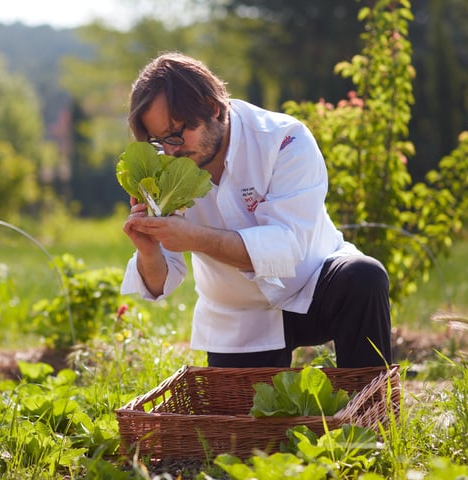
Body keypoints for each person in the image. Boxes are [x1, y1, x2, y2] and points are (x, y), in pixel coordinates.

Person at [120, 51, 392, 369]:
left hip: (312, 284)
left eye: (178, 133)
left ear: (212, 107)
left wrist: (194, 237)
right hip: (237, 315)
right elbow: (160, 282)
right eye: (159, 139)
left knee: (364, 277)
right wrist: (149, 251)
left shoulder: (284, 140)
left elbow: (286, 249)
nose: (171, 149)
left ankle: (370, 413)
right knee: (247, 416)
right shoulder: (164, 166)